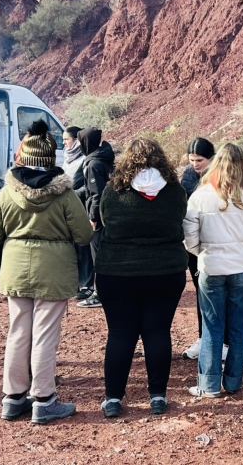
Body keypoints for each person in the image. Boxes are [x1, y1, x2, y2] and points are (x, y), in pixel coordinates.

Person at [0, 120, 93, 423]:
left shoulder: (6, 192)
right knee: (45, 335)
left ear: (23, 158)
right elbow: (84, 235)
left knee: (18, 331)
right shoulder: (65, 194)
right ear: (50, 159)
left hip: (15, 269)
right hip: (54, 271)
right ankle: (43, 400)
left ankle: (13, 398)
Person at [95, 138, 188, 418]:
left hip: (116, 271)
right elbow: (179, 219)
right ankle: (157, 396)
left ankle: (113, 398)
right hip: (165, 271)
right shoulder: (176, 191)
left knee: (120, 334)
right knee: (157, 332)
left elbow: (105, 220)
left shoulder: (112, 190)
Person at [184, 143, 243, 397]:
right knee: (240, 326)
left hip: (211, 268)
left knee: (212, 325)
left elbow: (189, 235)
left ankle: (208, 385)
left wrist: (201, 252)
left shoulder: (200, 196)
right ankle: (233, 381)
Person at [180, 138, 216, 361]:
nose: (195, 164)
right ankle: (204, 338)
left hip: (216, 243)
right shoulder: (186, 176)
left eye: (200, 160)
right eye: (192, 160)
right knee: (202, 292)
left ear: (211, 158)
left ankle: (223, 342)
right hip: (194, 245)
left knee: (219, 294)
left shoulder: (222, 175)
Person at [75, 127, 115, 308]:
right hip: (109, 214)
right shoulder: (104, 157)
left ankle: (100, 294)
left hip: (99, 218)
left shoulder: (93, 164)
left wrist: (93, 217)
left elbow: (96, 194)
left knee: (98, 257)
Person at [61, 126, 94, 302]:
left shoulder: (85, 160)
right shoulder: (67, 158)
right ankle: (75, 282)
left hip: (81, 208)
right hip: (67, 208)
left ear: (76, 141)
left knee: (83, 247)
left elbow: (88, 188)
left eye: (66, 139)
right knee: (71, 247)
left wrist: (71, 195)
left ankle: (87, 285)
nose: (64, 143)